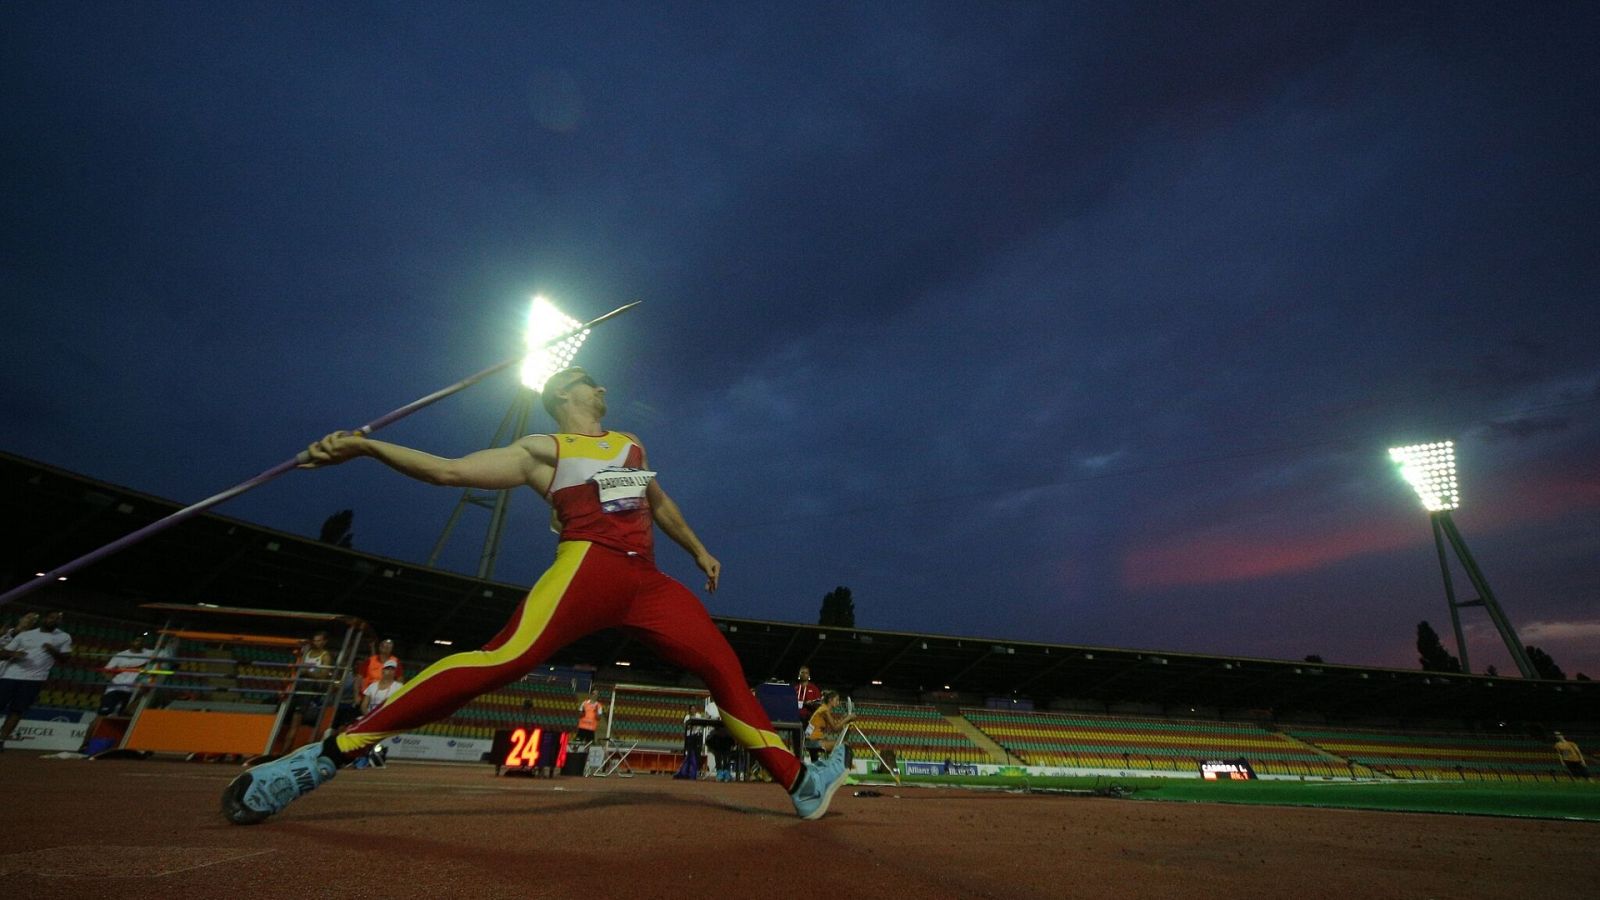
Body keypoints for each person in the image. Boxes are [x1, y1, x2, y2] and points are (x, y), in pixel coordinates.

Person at [222, 366, 849, 823]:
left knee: (722, 668)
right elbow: (448, 471)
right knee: (503, 659)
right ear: (560, 395)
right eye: (588, 379)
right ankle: (322, 758)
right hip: (589, 568)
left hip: (649, 583)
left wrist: (699, 550)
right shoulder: (542, 453)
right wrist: (363, 446)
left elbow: (656, 504)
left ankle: (799, 784)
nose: (601, 386)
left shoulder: (627, 444)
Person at [0, 610, 73, 750]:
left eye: (57, 619)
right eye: (51, 617)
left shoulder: (64, 637)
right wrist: (13, 654)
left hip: (35, 679)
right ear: (45, 618)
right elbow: (2, 654)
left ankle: (1, 739)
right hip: (10, 675)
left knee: (17, 710)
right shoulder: (25, 634)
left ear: (60, 623)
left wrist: (53, 651)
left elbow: (66, 659)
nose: (54, 620)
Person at [78, 632, 156, 753]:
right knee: (101, 716)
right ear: (131, 642)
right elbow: (106, 671)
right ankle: (85, 744)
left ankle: (123, 745)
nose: (139, 643)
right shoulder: (121, 655)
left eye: (141, 641)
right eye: (136, 641)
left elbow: (165, 655)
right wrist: (113, 680)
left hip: (133, 692)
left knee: (128, 717)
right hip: (115, 689)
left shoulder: (150, 653)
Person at [805, 691, 856, 764]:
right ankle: (839, 769)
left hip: (810, 741)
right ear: (830, 700)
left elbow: (835, 725)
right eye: (837, 700)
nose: (838, 703)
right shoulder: (825, 710)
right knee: (845, 745)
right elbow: (835, 728)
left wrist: (844, 718)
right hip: (813, 742)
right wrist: (848, 718)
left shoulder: (823, 708)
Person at [793, 665, 822, 755]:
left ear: (809, 675)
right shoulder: (795, 688)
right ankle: (798, 762)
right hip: (797, 719)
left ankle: (814, 761)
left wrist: (811, 704)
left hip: (810, 719)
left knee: (812, 743)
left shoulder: (813, 688)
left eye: (806, 673)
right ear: (799, 675)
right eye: (802, 672)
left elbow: (819, 703)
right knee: (797, 742)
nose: (804, 674)